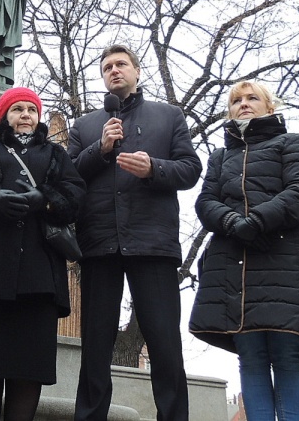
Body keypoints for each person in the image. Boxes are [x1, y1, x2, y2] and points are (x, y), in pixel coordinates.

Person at [68, 44, 201, 421]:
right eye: (107, 66)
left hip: (152, 244)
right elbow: (69, 176)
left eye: (121, 64)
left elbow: (191, 169)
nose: (114, 70)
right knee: (95, 346)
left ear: (137, 71)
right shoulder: (86, 125)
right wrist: (101, 147)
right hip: (98, 245)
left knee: (163, 343)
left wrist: (154, 169)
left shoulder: (168, 116)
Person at [189, 81, 299, 420]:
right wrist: (234, 223)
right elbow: (206, 201)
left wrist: (259, 220)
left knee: (287, 353)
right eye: (236, 100)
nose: (244, 104)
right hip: (234, 262)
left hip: (284, 258)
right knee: (249, 355)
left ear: (269, 106)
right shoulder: (221, 156)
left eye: (253, 98)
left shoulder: (291, 143)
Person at [0, 88, 85, 421]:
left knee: (27, 373)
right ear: (4, 116)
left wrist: (46, 199)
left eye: (31, 110)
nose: (25, 115)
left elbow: (75, 193)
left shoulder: (55, 153)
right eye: (17, 109)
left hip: (36, 282)